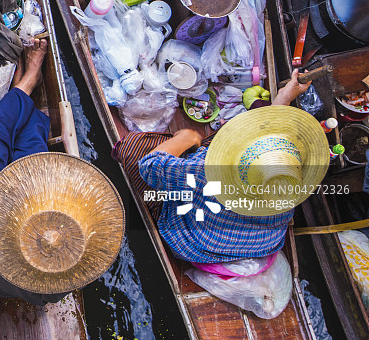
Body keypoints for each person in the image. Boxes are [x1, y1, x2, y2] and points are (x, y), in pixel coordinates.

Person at [0, 40, 125, 305]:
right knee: (33, 149)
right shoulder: (66, 273)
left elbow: (0, 196)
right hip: (0, 262)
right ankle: (25, 96)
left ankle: (25, 86)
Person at [113, 70, 329, 264]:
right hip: (255, 243)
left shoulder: (209, 171)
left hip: (192, 243)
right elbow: (271, 140)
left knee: (132, 147)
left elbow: (150, 166)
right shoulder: (287, 183)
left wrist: (186, 138)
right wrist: (283, 98)